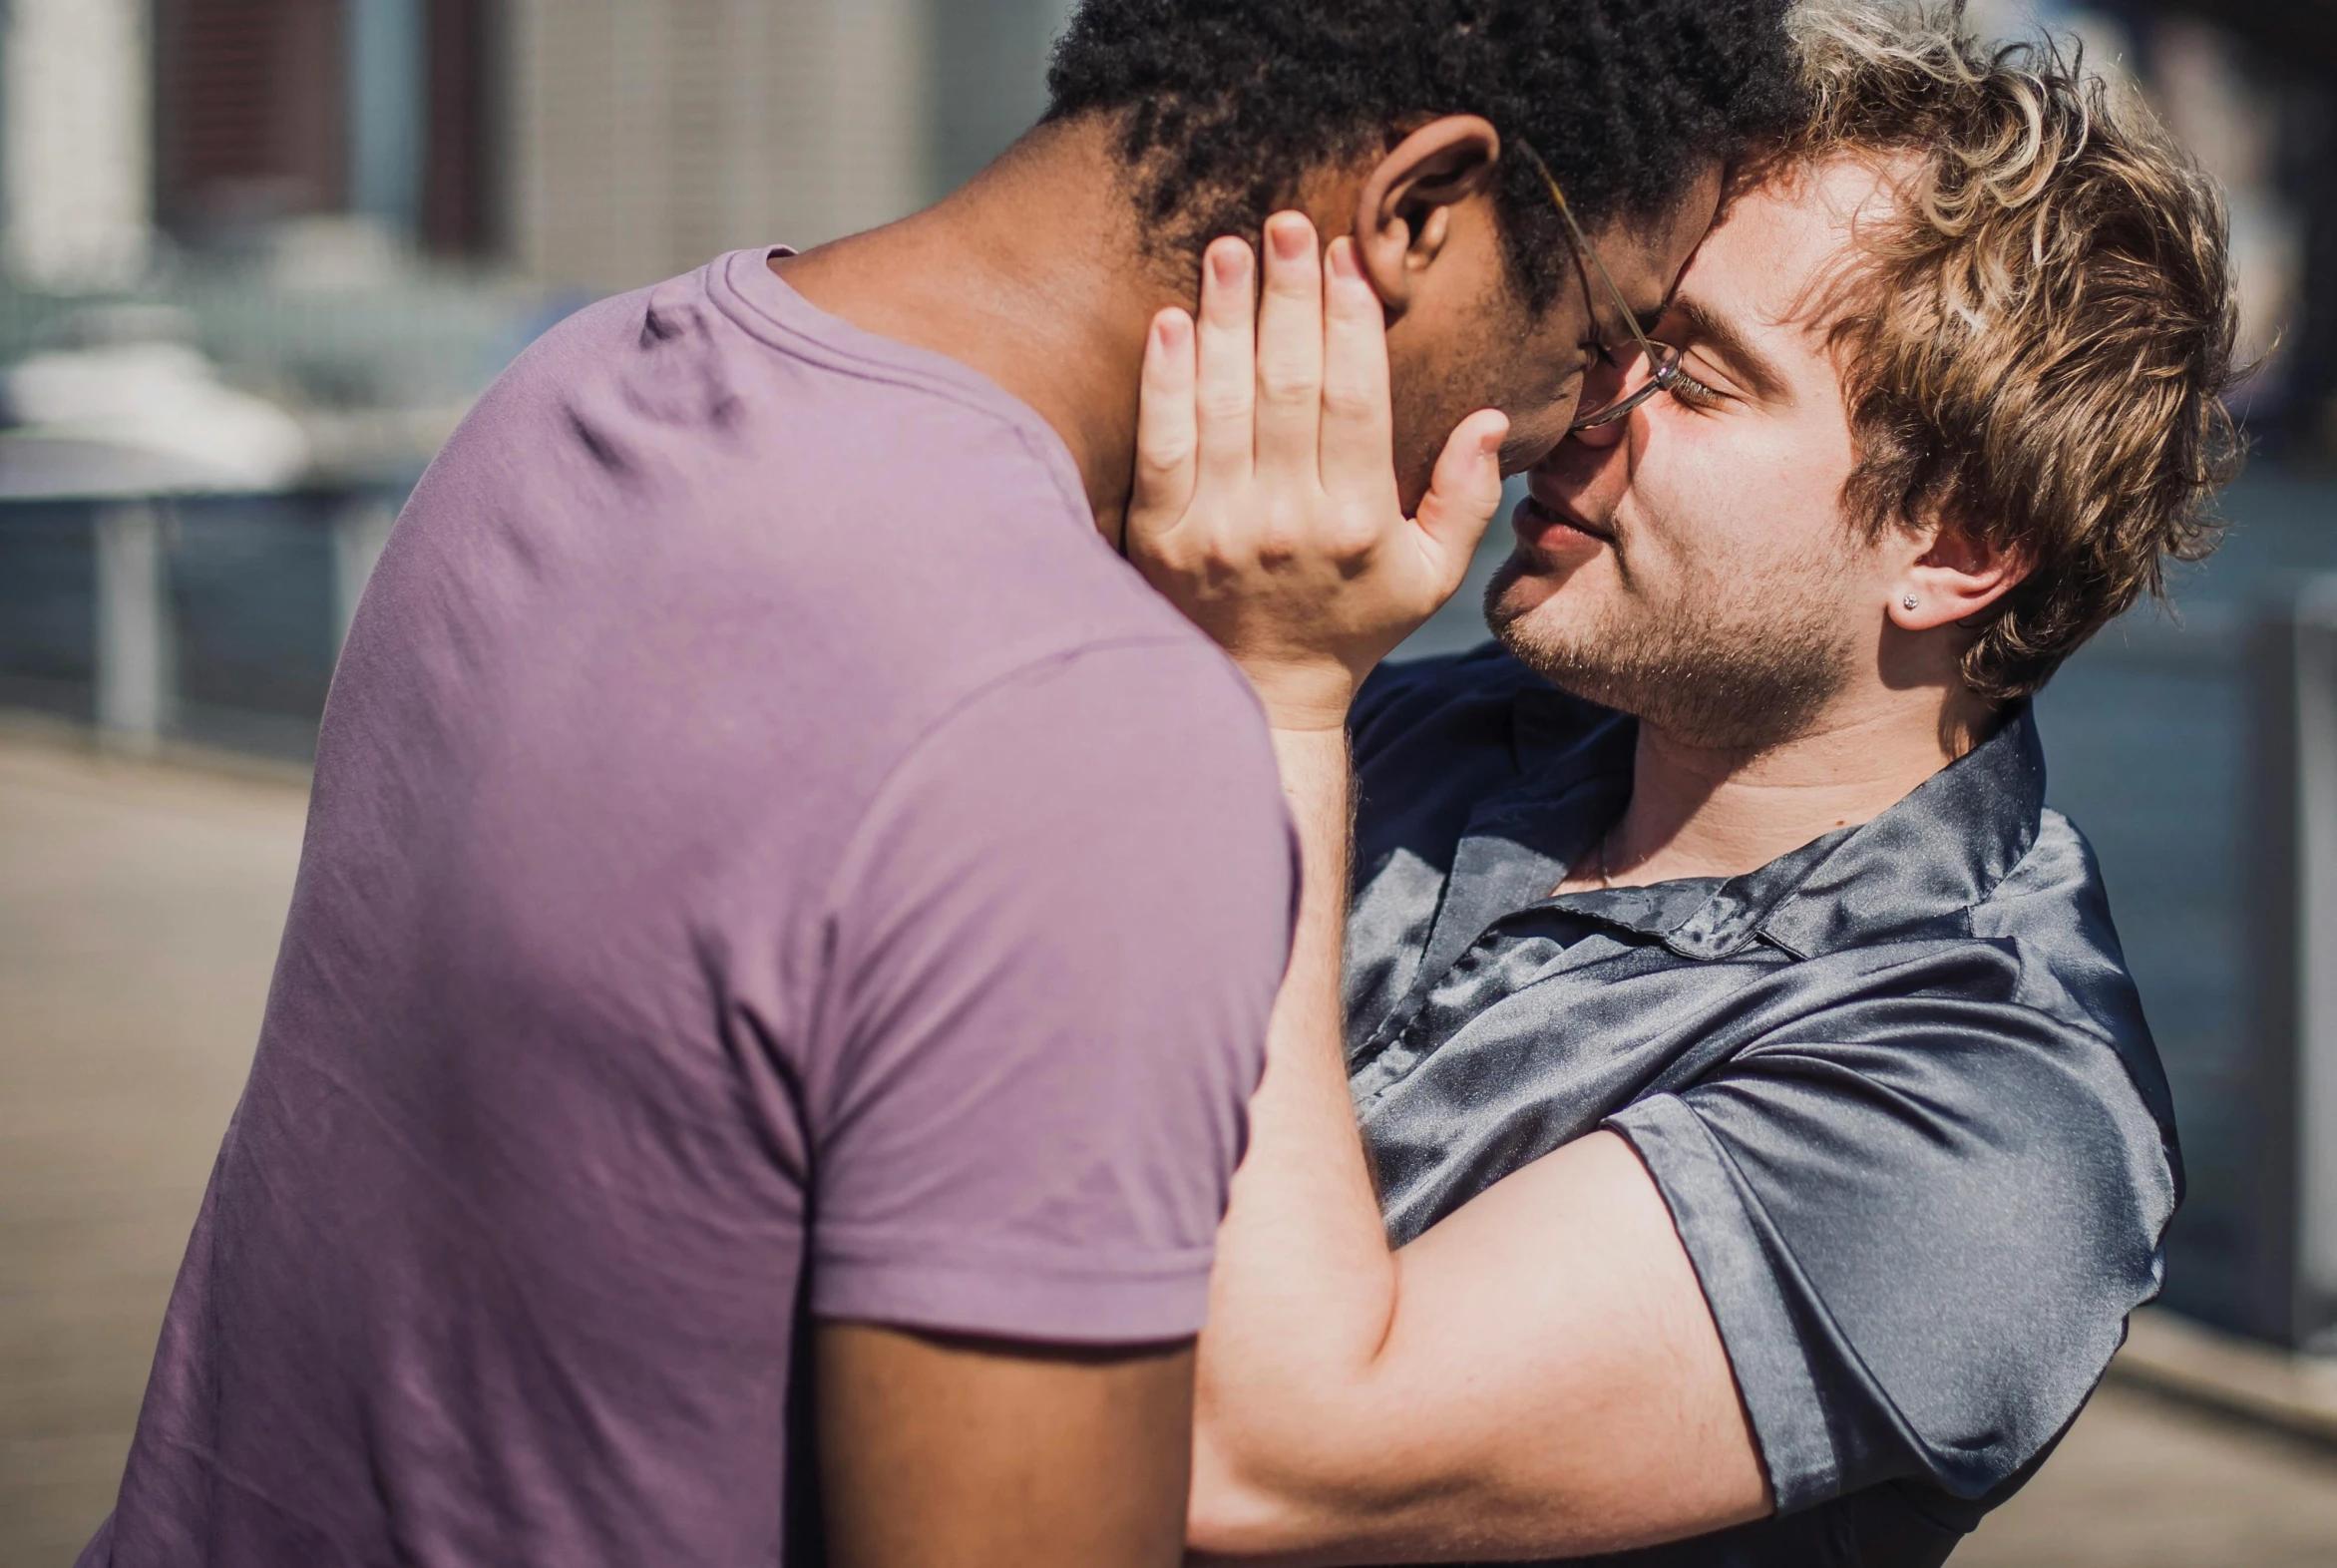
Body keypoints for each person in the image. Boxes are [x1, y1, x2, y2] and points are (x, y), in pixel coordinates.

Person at [78, 5, 1802, 1566]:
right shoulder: (1090, 737)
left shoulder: (584, 382)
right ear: (1417, 209)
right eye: (1597, 334)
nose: (1570, 420)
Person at [1126, 7, 2237, 1566]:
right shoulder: (1423, 733)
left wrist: (1271, 705)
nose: (1583, 410)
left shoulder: (1996, 1115)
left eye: (1694, 380)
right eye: (1616, 332)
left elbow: (1261, 1459)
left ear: (1957, 546)